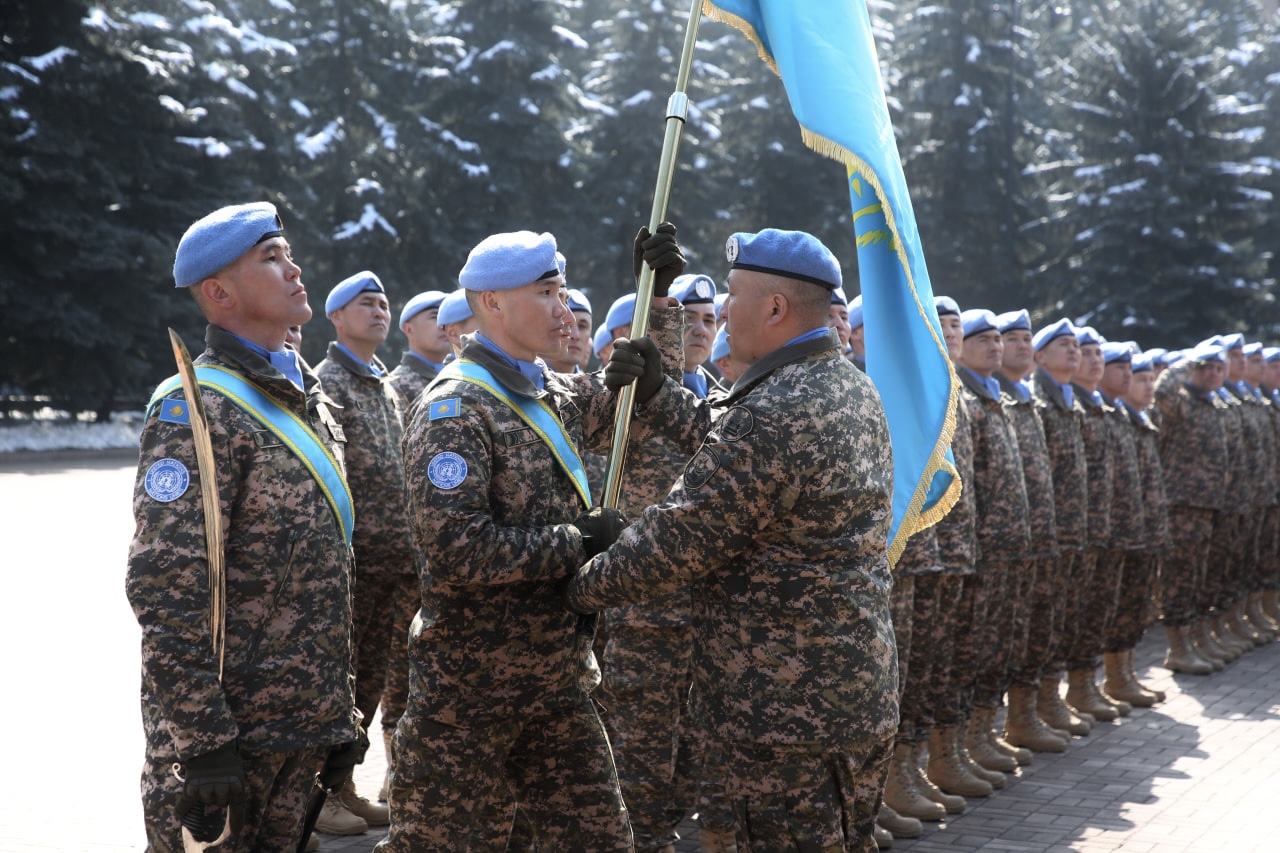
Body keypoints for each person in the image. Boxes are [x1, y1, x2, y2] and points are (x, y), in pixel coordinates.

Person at [567, 228, 899, 852]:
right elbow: (727, 439)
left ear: (774, 308)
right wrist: (662, 390)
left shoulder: (777, 410)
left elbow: (675, 542)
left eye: (733, 297)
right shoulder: (842, 384)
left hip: (784, 708)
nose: (722, 313)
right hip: (846, 689)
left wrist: (571, 581)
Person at [380, 225, 689, 850]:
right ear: (492, 304)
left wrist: (654, 303)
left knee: (600, 840)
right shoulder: (455, 407)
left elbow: (630, 407)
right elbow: (458, 549)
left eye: (565, 290)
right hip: (469, 699)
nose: (565, 307)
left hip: (559, 684)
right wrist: (578, 541)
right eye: (547, 292)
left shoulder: (548, 391)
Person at [126, 201, 363, 851]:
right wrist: (203, 743)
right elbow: (166, 588)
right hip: (227, 750)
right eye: (271, 257)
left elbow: (324, 571)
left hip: (299, 731)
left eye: (288, 253)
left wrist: (338, 715)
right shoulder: (194, 409)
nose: (295, 269)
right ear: (219, 292)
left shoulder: (302, 396)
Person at [312, 271, 420, 835]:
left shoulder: (382, 382)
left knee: (369, 683)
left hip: (394, 565)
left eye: (383, 303)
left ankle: (342, 785)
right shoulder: (328, 381)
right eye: (365, 304)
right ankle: (315, 795)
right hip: (355, 567)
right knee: (338, 681)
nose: (379, 312)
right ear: (336, 317)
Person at [953, 308, 1031, 788]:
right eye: (991, 340)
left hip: (1001, 546)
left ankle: (974, 737)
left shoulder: (991, 398)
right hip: (968, 547)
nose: (999, 347)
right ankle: (933, 756)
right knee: (956, 653)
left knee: (994, 646)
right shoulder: (963, 398)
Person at [993, 309, 1068, 755]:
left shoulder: (1024, 401)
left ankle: (1020, 716)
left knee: (1032, 631)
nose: (1014, 346)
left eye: (1024, 338)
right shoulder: (977, 400)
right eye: (1009, 338)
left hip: (1035, 540)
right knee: (971, 649)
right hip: (992, 546)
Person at [1153, 343, 1230, 673]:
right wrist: (1187, 361)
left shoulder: (1212, 405)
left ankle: (1193, 640)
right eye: (1205, 367)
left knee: (1198, 576)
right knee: (1180, 578)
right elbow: (1163, 389)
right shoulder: (1180, 403)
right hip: (1181, 505)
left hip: (1208, 505)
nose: (1211, 373)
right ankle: (1178, 647)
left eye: (1217, 367)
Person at [1108, 350, 1171, 704]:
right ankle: (1111, 678)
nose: (1146, 385)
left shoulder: (1140, 420)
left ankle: (1123, 673)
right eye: (1137, 376)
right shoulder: (1117, 419)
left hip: (1139, 531)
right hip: (1115, 533)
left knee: (1133, 607)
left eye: (1149, 378)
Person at [388, 289, 450, 415]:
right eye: (435, 317)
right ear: (409, 329)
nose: (444, 324)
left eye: (448, 317)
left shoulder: (462, 375)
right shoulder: (395, 386)